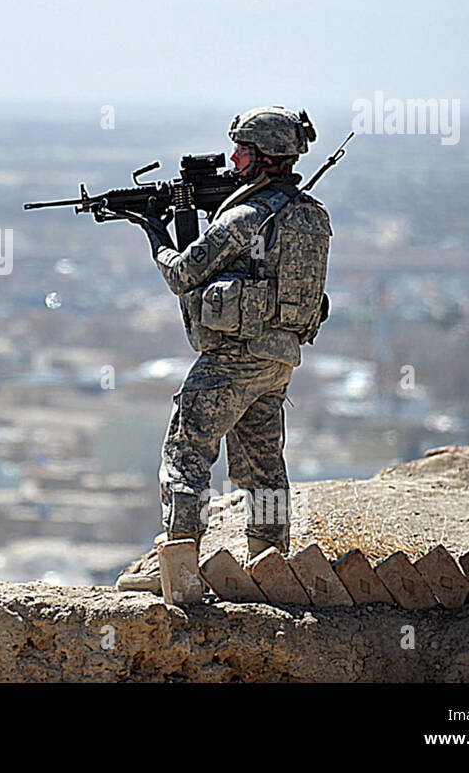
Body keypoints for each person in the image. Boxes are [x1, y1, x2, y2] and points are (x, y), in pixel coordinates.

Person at [115, 106, 332, 595]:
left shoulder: (245, 216)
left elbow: (181, 274)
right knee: (263, 468)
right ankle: (272, 565)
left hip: (233, 358)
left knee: (186, 453)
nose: (233, 160)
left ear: (262, 158)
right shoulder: (310, 215)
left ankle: (178, 563)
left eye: (242, 152)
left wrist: (155, 231)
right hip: (279, 358)